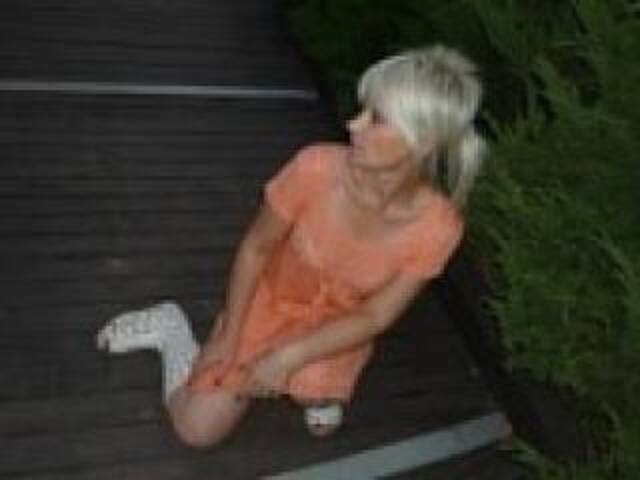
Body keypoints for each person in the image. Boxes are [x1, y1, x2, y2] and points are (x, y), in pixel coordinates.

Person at [96, 44, 485, 448]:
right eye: (363, 109)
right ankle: (172, 329)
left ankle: (316, 386)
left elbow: (374, 316)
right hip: (271, 301)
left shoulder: (438, 227)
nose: (353, 124)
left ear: (423, 142)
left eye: (377, 119)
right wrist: (230, 336)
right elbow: (256, 248)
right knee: (197, 429)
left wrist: (287, 358)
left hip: (339, 326)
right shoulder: (315, 167)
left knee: (309, 385)